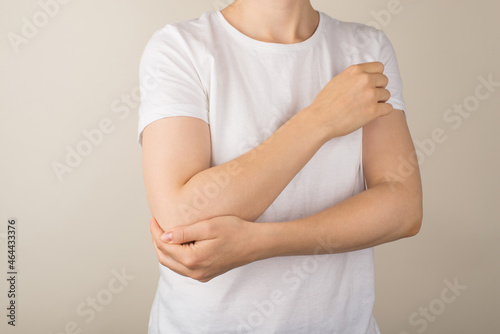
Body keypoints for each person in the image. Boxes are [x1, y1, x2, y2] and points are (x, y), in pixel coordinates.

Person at [138, 0, 422, 333]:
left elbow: (403, 207)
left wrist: (260, 242)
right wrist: (320, 120)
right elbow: (182, 220)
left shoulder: (367, 48)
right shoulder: (180, 47)